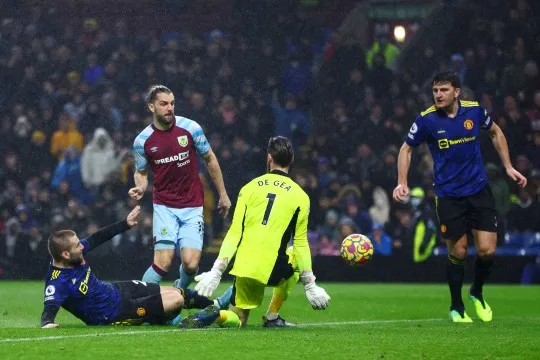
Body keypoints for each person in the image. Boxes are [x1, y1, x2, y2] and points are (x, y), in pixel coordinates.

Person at [393, 71, 527, 323]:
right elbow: (406, 149)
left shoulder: (474, 111)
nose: (438, 95)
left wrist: (508, 167)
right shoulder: (426, 119)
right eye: (435, 91)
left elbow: (496, 132)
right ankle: (456, 306)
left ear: (457, 92)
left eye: (443, 90)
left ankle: (476, 291)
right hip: (448, 195)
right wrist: (402, 182)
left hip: (478, 190)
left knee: (487, 251)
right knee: (459, 252)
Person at [185, 136, 330, 328]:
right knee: (294, 252)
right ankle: (272, 316)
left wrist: (216, 270)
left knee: (239, 319)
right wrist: (310, 284)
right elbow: (301, 242)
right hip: (275, 269)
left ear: (269, 157)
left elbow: (235, 232)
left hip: (245, 266)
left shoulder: (249, 188)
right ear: (292, 159)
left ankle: (218, 315)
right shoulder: (300, 196)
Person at [40, 206, 228, 328]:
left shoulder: (74, 254)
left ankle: (215, 308)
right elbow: (49, 309)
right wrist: (48, 323)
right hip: (112, 313)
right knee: (176, 300)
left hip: (116, 289)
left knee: (175, 291)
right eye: (77, 245)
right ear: (64, 254)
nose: (82, 246)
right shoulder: (57, 282)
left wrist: (125, 224)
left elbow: (98, 237)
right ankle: (168, 318)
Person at [130, 85, 231, 289]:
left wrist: (223, 194)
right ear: (152, 107)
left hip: (193, 205)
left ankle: (179, 291)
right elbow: (141, 171)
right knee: (163, 261)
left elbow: (210, 158)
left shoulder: (190, 128)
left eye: (172, 103)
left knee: (191, 264)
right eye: (164, 104)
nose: (170, 108)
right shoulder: (142, 141)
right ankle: (138, 303)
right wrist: (140, 187)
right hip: (164, 206)